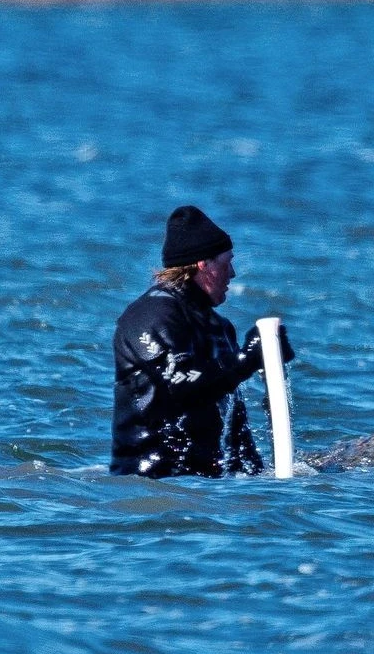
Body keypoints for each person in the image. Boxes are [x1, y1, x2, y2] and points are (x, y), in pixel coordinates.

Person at [111, 204, 290, 478]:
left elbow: (235, 427)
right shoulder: (151, 314)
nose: (233, 274)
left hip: (209, 485)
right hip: (152, 481)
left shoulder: (220, 327)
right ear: (203, 263)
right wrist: (246, 360)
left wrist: (271, 363)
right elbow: (179, 385)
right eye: (227, 262)